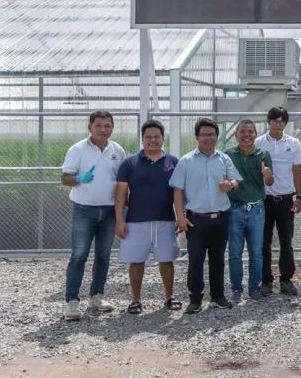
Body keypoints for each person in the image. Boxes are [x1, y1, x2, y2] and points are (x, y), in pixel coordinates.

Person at [170, 118, 243, 314]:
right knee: (195, 260)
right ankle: (195, 299)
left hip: (221, 217)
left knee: (218, 259)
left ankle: (218, 296)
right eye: (204, 134)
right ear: (197, 137)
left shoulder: (224, 159)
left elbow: (235, 179)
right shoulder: (186, 161)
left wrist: (231, 185)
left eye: (212, 134)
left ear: (217, 137)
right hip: (196, 219)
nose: (208, 138)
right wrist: (180, 217)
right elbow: (178, 191)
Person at [61, 110, 126, 321]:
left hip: (108, 211)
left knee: (103, 255)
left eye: (107, 125)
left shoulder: (117, 150)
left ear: (112, 128)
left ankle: (96, 296)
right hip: (84, 210)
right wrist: (79, 178)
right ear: (90, 127)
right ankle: (71, 301)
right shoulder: (77, 149)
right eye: (98, 125)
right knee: (79, 255)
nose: (103, 129)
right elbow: (65, 178)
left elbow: (122, 182)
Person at [114, 120, 181, 314]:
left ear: (162, 138)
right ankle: (135, 300)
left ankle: (169, 297)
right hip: (136, 220)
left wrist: (180, 216)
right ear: (142, 139)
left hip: (166, 220)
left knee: (166, 260)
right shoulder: (129, 163)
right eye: (148, 137)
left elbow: (179, 192)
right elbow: (120, 193)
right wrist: (120, 219)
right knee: (136, 261)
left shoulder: (173, 162)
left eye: (156, 137)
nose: (153, 140)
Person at [255, 106, 301, 297]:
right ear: (268, 122)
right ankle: (266, 280)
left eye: (282, 120)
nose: (278, 123)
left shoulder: (293, 143)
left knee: (286, 241)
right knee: (264, 241)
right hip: (264, 199)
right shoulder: (259, 142)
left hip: (285, 199)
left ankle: (286, 279)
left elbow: (296, 170)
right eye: (274, 120)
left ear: (285, 123)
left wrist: (298, 196)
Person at [225, 119, 273, 302]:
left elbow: (269, 182)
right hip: (234, 209)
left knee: (256, 251)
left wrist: (268, 176)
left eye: (250, 132)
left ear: (255, 134)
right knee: (235, 252)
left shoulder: (263, 155)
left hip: (256, 210)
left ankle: (254, 287)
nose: (246, 135)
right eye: (242, 132)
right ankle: (236, 288)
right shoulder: (227, 155)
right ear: (236, 135)